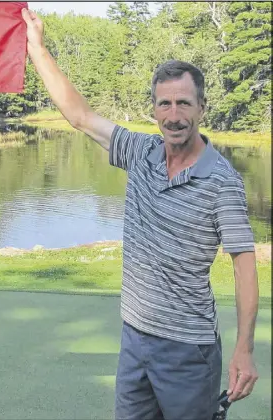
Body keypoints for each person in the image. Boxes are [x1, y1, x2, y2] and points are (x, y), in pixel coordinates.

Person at [21, 8, 259, 420]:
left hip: (188, 348)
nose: (173, 115)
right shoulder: (140, 152)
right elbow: (79, 116)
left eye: (183, 103)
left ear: (202, 107)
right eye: (164, 104)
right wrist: (37, 48)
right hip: (135, 337)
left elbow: (244, 264)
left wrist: (244, 348)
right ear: (153, 110)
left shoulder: (222, 181)